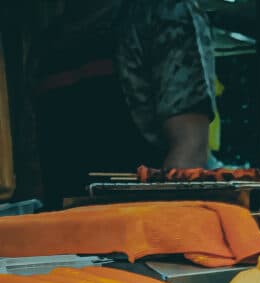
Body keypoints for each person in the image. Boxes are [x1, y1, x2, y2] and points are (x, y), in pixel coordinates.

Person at [32, 0, 216, 206]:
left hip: (138, 222)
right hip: (62, 225)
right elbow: (37, 166)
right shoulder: (44, 45)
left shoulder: (163, 13)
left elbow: (189, 148)